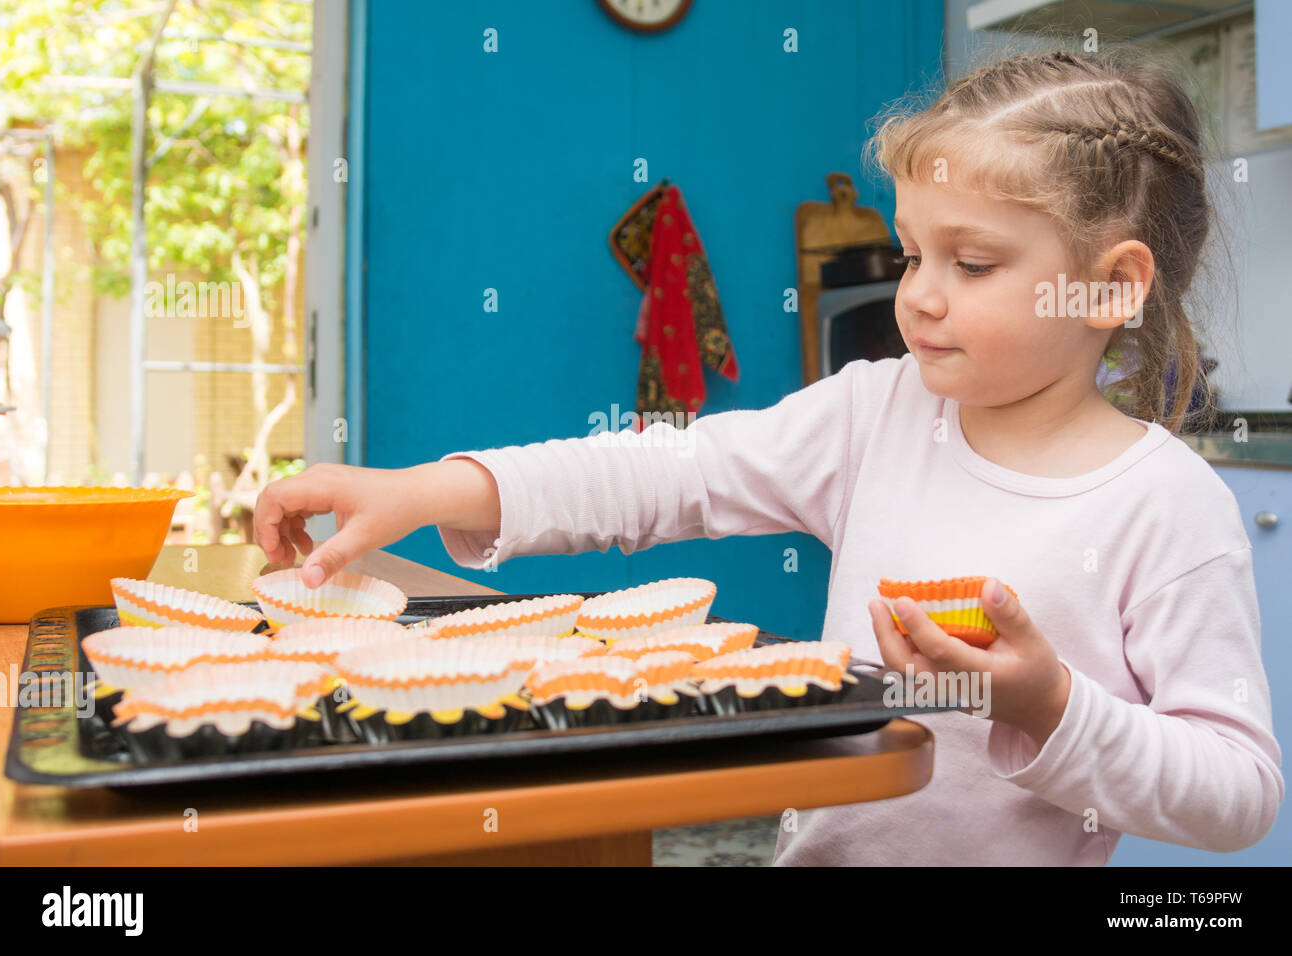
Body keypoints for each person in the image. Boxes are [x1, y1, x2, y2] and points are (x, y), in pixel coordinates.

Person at [255, 49, 1282, 866]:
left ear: (1111, 287)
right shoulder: (877, 412)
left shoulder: (1164, 503)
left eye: (971, 264)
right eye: (912, 254)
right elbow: (667, 472)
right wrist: (428, 489)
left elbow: (1236, 791)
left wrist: (1049, 705)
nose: (918, 295)